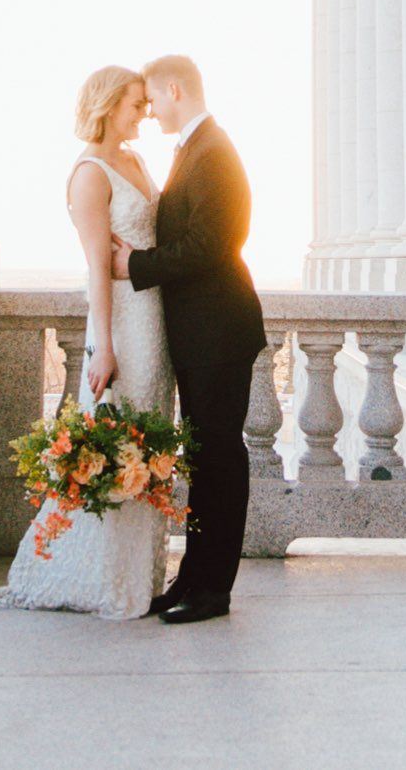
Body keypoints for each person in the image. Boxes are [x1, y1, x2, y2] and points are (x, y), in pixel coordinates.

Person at [0, 66, 176, 619]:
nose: (145, 112)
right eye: (137, 104)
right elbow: (96, 269)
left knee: (149, 440)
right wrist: (106, 346)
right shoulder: (89, 174)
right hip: (121, 325)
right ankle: (94, 576)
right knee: (118, 440)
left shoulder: (136, 161)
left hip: (154, 318)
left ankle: (138, 573)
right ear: (110, 105)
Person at [111, 55, 266, 625]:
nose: (149, 113)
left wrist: (137, 265)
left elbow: (212, 245)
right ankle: (194, 576)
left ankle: (213, 590)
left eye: (153, 101)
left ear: (175, 89)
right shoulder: (196, 149)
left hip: (220, 332)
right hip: (203, 332)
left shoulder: (215, 151)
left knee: (221, 460)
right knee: (205, 459)